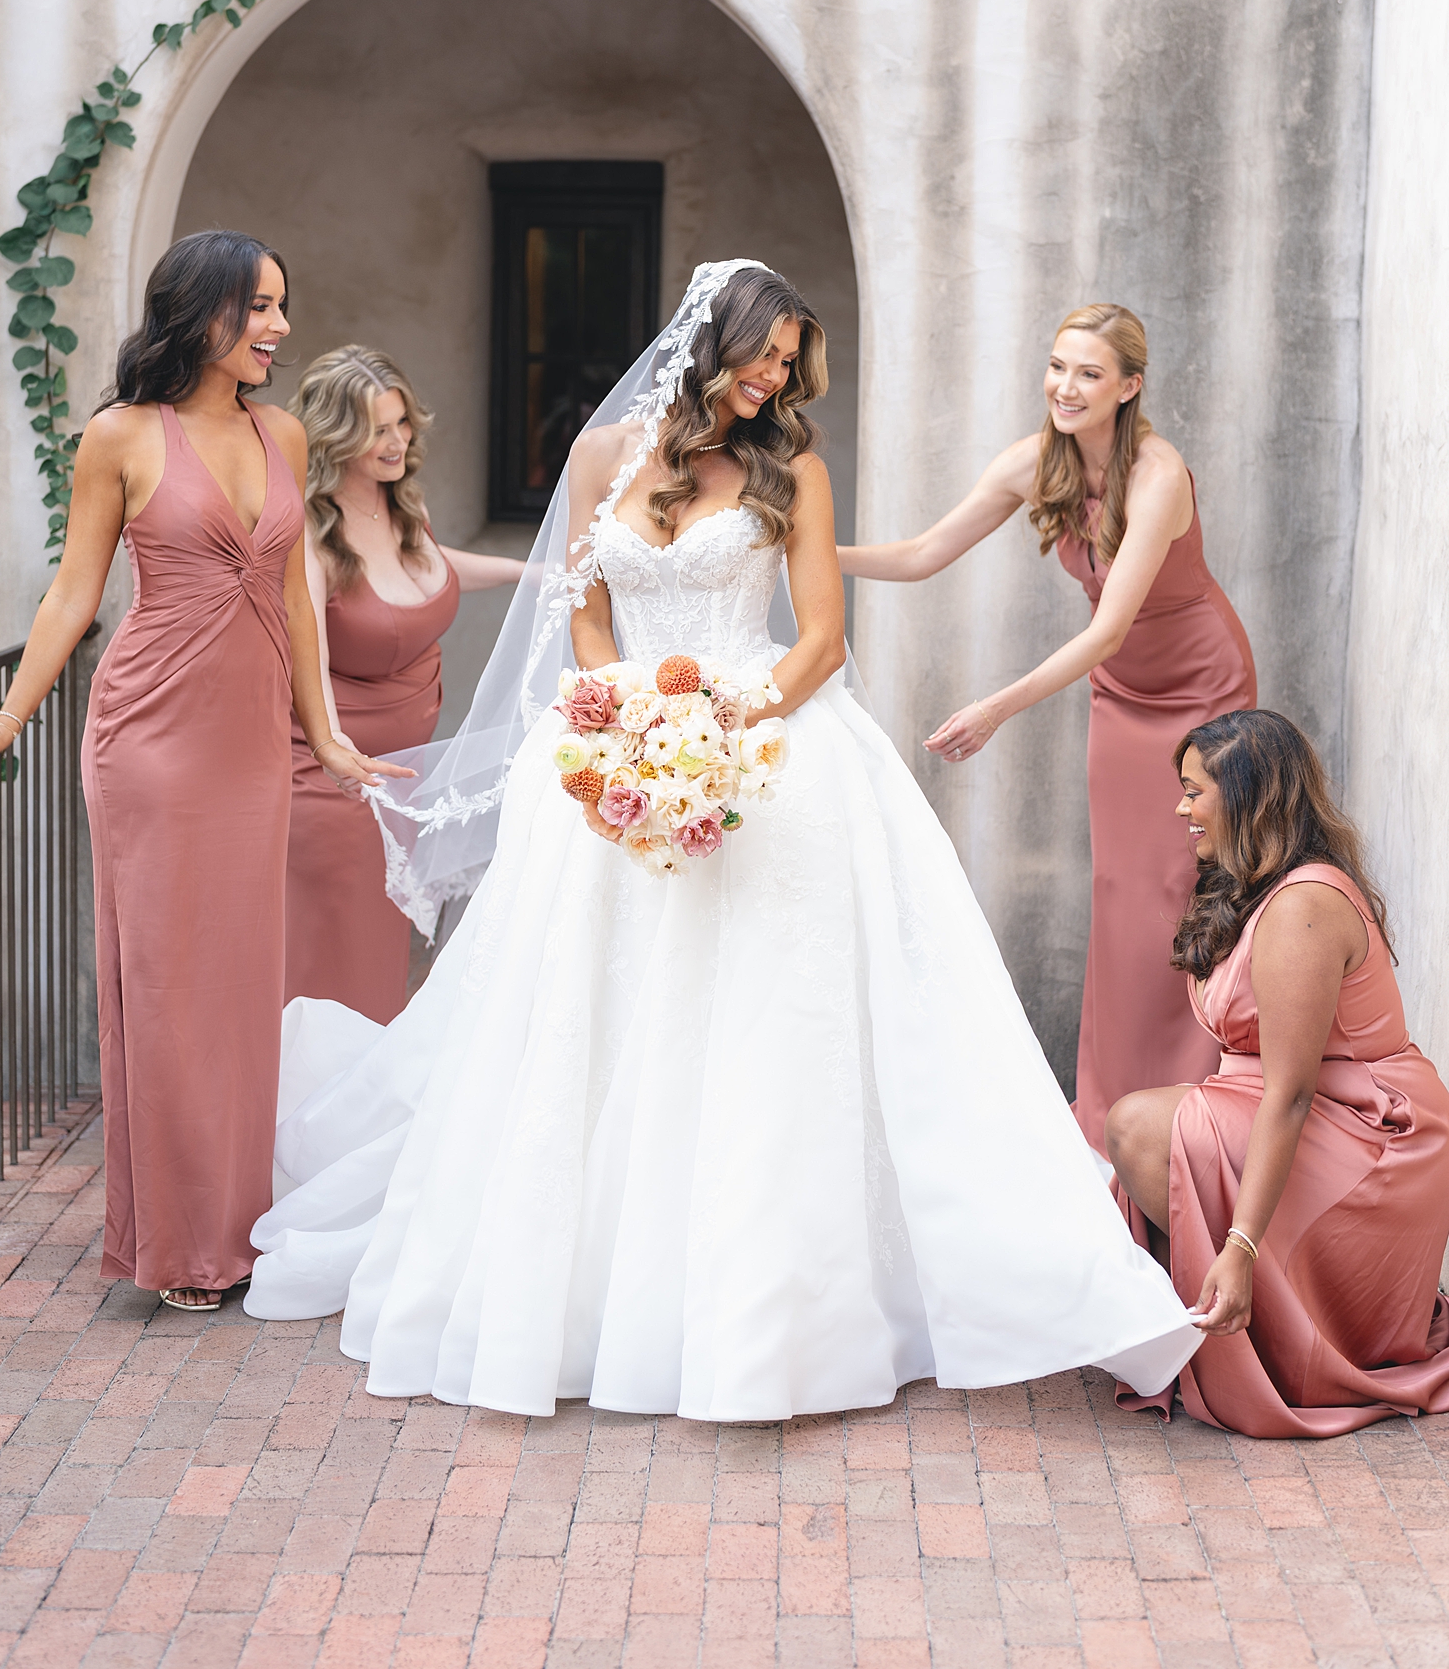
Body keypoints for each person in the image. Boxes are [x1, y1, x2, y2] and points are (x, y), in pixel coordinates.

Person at [243, 260, 1203, 1422]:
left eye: (791, 364)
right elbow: (585, 608)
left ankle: (769, 1308)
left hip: (765, 743)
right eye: (767, 355)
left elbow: (822, 641)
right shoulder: (603, 456)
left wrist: (717, 726)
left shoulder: (793, 465)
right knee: (598, 1015)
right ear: (715, 341)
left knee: (760, 1025)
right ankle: (590, 1286)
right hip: (620, 743)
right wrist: (627, 718)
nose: (777, 378)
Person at [0, 232, 405, 1312]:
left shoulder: (281, 430)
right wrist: (9, 718)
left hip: (251, 748)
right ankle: (182, 1245)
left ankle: (237, 1224)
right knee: (166, 990)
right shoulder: (120, 435)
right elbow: (75, 592)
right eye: (260, 306)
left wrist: (322, 734)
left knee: (241, 986)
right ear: (200, 313)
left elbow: (292, 599)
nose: (279, 327)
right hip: (150, 739)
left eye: (281, 304)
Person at [838, 304, 1256, 1150]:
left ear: (1128, 387)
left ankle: (1191, 1112)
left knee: (1182, 890)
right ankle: (1109, 1116)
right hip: (1122, 695)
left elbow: (1107, 629)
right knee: (1121, 894)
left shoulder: (1157, 476)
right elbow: (922, 554)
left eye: (1089, 373)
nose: (1066, 386)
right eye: (1058, 366)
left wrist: (996, 708)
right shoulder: (1034, 463)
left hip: (1200, 691)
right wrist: (803, 552)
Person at [1107, 710, 1449, 1436]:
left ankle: (1274, 1325)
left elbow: (1289, 1094)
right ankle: (1234, 1316)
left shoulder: (1304, 906)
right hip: (1309, 1107)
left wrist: (1240, 1245)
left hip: (1371, 1134)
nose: (1181, 809)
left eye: (1194, 791)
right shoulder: (1248, 885)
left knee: (1139, 1127)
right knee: (1150, 1128)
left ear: (1248, 796)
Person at [285, 346, 524, 1024]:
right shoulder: (309, 532)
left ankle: (361, 1087)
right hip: (331, 782)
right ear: (336, 436)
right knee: (334, 960)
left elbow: (429, 569)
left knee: (380, 958)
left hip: (400, 785)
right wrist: (335, 749)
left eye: (401, 423)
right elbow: (307, 652)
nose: (396, 443)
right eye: (376, 430)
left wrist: (531, 573)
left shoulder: (398, 508)